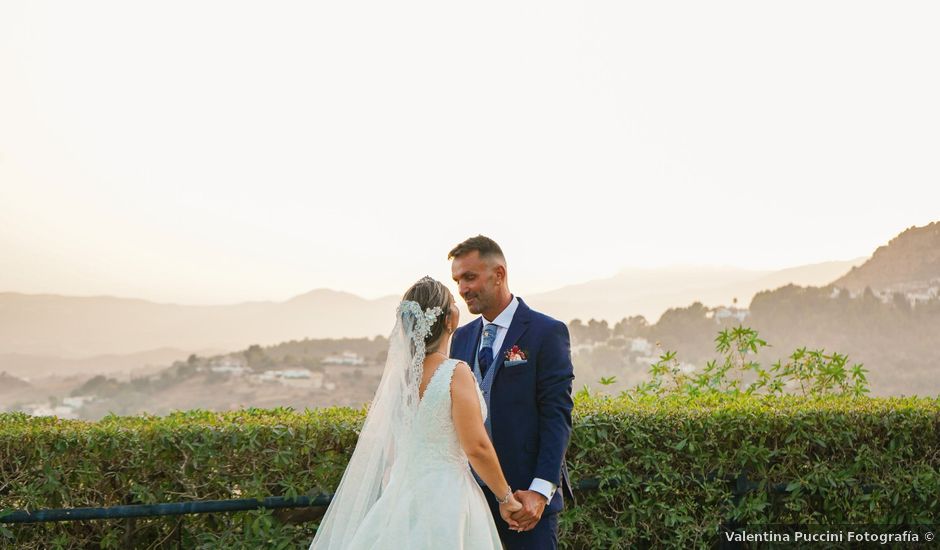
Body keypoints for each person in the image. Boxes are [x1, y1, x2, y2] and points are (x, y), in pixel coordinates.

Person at [310, 276, 522, 549]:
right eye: (453, 303)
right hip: (448, 498)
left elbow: (391, 450)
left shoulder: (401, 379)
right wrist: (506, 498)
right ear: (449, 320)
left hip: (401, 496)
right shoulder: (454, 372)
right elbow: (477, 447)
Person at [449, 235, 576, 549]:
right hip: (471, 504)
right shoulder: (460, 338)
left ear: (499, 274)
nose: (462, 288)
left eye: (469, 277)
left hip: (526, 505)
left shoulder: (546, 332)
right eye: (457, 280)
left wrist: (539, 491)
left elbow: (556, 416)